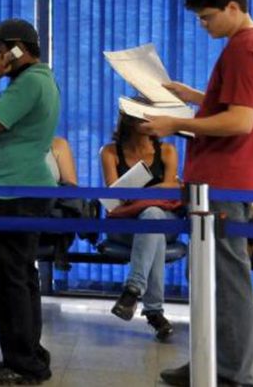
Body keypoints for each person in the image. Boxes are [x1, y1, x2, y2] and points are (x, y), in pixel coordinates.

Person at [138, 0, 253, 386]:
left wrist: (176, 123)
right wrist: (196, 99)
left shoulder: (244, 48)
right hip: (218, 180)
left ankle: (233, 372)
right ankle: (211, 361)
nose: (203, 25)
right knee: (207, 277)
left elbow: (241, 121)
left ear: (232, 7)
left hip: (224, 180)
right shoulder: (241, 46)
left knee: (226, 280)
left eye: (207, 17)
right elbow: (237, 105)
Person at [0, 18, 60, 385]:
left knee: (11, 280)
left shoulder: (30, 82)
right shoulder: (38, 80)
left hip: (14, 192)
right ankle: (26, 354)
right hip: (15, 190)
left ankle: (23, 363)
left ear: (17, 49)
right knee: (20, 277)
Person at [0, 136, 77, 287]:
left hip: (49, 218)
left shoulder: (58, 145)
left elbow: (71, 188)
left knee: (14, 227)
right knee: (11, 216)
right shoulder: (4, 145)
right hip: (14, 214)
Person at [101, 110, 180, 341]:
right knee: (154, 228)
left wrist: (140, 195)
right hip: (125, 223)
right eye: (141, 118)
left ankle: (133, 289)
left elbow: (171, 189)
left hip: (164, 219)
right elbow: (115, 197)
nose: (147, 122)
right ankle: (154, 311)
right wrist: (154, 192)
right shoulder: (110, 152)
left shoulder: (167, 151)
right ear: (128, 121)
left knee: (153, 216)